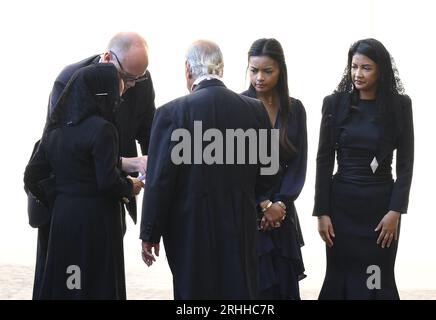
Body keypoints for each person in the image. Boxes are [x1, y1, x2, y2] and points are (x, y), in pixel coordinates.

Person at [140, 40, 277, 299]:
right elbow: (269, 174)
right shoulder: (256, 110)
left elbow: (160, 181)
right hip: (240, 226)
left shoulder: (172, 113)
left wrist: (150, 232)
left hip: (190, 228)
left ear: (188, 70)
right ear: (222, 69)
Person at [26, 32, 155, 299]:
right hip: (73, 201)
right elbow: (66, 151)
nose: (131, 85)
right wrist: (126, 168)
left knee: (94, 277)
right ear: (108, 58)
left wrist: (152, 165)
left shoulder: (140, 80)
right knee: (75, 278)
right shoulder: (70, 79)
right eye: (127, 78)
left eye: (137, 78)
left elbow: (149, 134)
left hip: (99, 205)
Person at [313, 38, 414, 299]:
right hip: (341, 206)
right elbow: (324, 160)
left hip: (381, 209)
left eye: (366, 67)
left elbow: (405, 163)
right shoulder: (334, 103)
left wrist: (395, 211)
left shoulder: (400, 106)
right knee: (340, 272)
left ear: (381, 69)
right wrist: (322, 212)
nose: (357, 74)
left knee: (376, 273)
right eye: (354, 66)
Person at [242, 38, 307, 299]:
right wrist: (263, 204)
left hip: (282, 212)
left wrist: (280, 203)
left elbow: (298, 164)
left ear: (281, 71)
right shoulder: (239, 106)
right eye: (253, 70)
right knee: (256, 287)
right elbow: (236, 166)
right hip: (249, 210)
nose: (259, 77)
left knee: (283, 285)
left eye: (267, 71)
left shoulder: (294, 108)